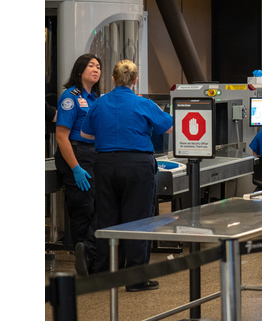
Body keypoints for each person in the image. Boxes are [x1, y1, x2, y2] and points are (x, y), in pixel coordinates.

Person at [80, 60, 173, 292]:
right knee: (138, 220)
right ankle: (135, 279)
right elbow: (169, 126)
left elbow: (85, 133)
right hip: (137, 165)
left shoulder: (99, 103)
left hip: (104, 164)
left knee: (106, 219)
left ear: (112, 79)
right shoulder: (143, 102)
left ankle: (104, 275)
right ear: (135, 80)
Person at [54, 54, 102, 278]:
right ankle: (82, 255)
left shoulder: (95, 98)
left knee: (96, 205)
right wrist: (75, 168)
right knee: (82, 205)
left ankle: (90, 253)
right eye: (91, 65)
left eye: (99, 67)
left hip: (92, 154)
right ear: (80, 70)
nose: (96, 69)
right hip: (74, 153)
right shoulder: (70, 97)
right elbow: (62, 137)